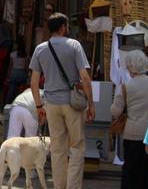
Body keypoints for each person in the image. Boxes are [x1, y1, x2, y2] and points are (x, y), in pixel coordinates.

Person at [30, 13, 95, 189]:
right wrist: (91, 103)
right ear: (62, 27)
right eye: (66, 26)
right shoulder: (74, 45)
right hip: (72, 102)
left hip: (50, 103)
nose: (68, 29)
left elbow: (34, 82)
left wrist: (38, 105)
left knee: (58, 149)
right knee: (76, 147)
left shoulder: (40, 49)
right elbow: (85, 77)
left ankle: (59, 186)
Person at [111, 50, 148, 189]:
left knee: (132, 174)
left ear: (130, 67)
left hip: (133, 135)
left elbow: (114, 111)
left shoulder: (125, 87)